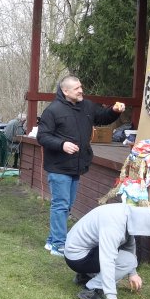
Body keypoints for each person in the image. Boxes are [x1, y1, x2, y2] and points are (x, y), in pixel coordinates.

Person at [36, 75, 125, 256]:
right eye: (77, 88)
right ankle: (59, 245)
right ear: (65, 91)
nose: (81, 91)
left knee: (67, 205)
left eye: (81, 87)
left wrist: (114, 111)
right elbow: (43, 136)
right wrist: (62, 144)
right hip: (58, 166)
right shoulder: (52, 110)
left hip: (77, 165)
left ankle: (52, 240)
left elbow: (102, 117)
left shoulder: (87, 106)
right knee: (61, 205)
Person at [64, 203, 150, 299]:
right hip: (77, 258)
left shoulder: (126, 213)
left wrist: (133, 273)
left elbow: (129, 244)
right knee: (128, 261)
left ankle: (85, 276)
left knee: (128, 259)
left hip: (78, 252)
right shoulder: (114, 226)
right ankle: (91, 290)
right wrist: (112, 297)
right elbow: (107, 260)